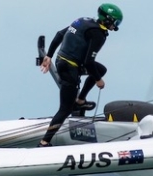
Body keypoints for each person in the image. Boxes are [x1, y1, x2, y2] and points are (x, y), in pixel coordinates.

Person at [38, 3, 123, 147]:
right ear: (108, 20)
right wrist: (98, 81)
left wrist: (49, 56)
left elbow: (60, 34)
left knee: (101, 69)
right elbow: (89, 62)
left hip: (62, 61)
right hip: (71, 69)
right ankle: (44, 142)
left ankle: (81, 100)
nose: (114, 26)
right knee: (65, 109)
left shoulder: (83, 20)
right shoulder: (98, 35)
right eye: (114, 22)